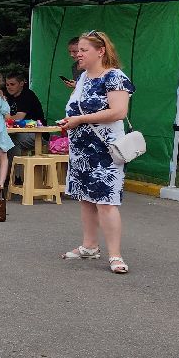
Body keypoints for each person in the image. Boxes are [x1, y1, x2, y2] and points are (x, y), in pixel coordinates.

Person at [60, 30, 135, 274]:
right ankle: (89, 246)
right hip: (81, 148)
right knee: (86, 200)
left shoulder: (114, 77)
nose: (78, 54)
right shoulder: (83, 79)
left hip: (105, 149)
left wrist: (80, 119)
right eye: (77, 50)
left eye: (83, 50)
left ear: (100, 51)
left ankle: (115, 255)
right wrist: (70, 120)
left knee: (106, 202)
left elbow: (119, 111)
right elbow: (77, 109)